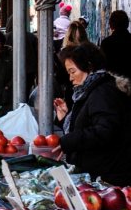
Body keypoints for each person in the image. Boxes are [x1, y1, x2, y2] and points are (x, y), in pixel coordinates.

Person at [53, 42, 131, 186]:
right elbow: (89, 123)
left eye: (72, 72)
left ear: (89, 67)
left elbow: (105, 131)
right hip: (99, 173)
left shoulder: (103, 92)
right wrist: (66, 118)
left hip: (109, 177)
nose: (70, 78)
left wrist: (70, 141)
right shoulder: (91, 90)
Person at [5, 15, 38, 95]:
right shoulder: (31, 36)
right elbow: (36, 54)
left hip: (12, 70)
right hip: (29, 70)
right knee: (25, 93)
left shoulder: (7, 37)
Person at [100, 10, 131, 79]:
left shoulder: (106, 43)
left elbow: (102, 66)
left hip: (113, 83)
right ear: (127, 23)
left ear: (111, 25)